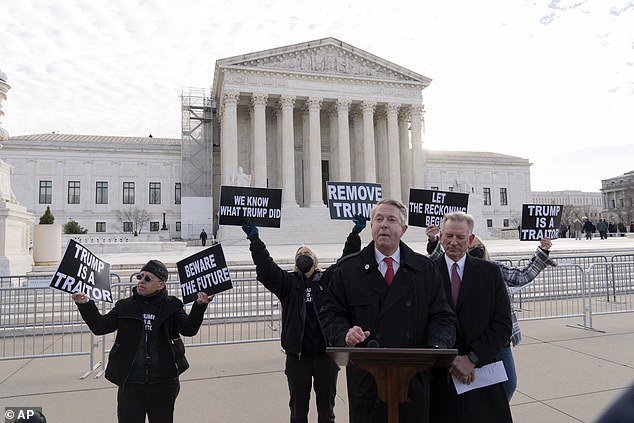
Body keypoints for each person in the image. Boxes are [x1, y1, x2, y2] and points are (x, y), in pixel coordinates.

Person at [319, 199, 457, 423]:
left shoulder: (424, 269)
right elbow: (330, 313)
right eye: (378, 219)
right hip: (367, 382)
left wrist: (437, 348)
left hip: (413, 378)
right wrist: (344, 333)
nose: (383, 225)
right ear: (371, 226)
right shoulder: (348, 269)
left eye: (391, 220)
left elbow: (442, 317)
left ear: (403, 229)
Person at [241, 214, 367, 423]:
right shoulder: (288, 285)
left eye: (307, 252)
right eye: (300, 252)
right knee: (298, 413)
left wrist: (354, 234)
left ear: (315, 260)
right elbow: (266, 267)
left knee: (326, 412)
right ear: (296, 262)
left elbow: (345, 262)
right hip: (297, 358)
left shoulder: (327, 281)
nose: (303, 253)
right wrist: (255, 240)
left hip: (325, 357)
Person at [426, 225, 556, 401]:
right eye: (471, 249)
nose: (474, 251)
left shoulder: (493, 269)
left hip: (497, 339)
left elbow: (522, 277)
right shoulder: (452, 268)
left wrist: (542, 250)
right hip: (468, 337)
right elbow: (440, 259)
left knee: (508, 384)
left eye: (477, 248)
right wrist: (434, 240)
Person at [72, 259, 211, 423]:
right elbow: (101, 327)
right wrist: (85, 304)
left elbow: (189, 329)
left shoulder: (172, 306)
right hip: (131, 382)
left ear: (161, 285)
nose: (141, 281)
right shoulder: (125, 306)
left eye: (147, 278)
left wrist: (200, 305)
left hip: (163, 382)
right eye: (140, 276)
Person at [429, 211, 513, 423]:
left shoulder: (490, 274)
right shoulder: (426, 273)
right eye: (448, 236)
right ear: (440, 237)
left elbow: (503, 325)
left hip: (482, 373)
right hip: (440, 375)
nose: (453, 242)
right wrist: (450, 360)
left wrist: (472, 358)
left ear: (471, 239)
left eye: (460, 237)